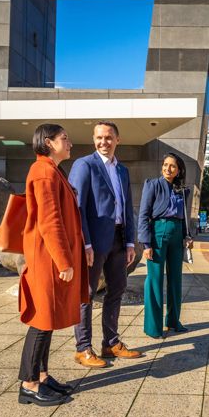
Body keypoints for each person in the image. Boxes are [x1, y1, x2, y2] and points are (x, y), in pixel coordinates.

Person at [18, 123, 88, 406]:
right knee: (42, 320)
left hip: (50, 256)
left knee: (47, 320)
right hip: (47, 258)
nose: (69, 143)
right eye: (64, 139)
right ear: (48, 142)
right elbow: (49, 221)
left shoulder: (52, 170)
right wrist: (64, 259)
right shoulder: (44, 172)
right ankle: (29, 383)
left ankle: (42, 375)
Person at [68, 121, 142, 368]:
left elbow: (126, 206)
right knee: (86, 293)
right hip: (94, 242)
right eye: (99, 137)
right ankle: (83, 348)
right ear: (93, 139)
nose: (104, 142)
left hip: (119, 239)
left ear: (117, 140)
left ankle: (110, 343)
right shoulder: (84, 165)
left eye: (109, 137)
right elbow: (76, 208)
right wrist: (85, 243)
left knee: (117, 289)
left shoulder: (122, 170)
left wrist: (131, 241)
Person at [138, 152, 193, 338]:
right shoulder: (152, 185)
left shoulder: (182, 190)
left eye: (172, 166)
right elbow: (144, 214)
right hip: (158, 231)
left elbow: (184, 216)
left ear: (178, 171)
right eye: (165, 164)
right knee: (154, 280)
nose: (168, 169)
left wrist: (187, 235)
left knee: (176, 279)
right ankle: (153, 327)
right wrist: (146, 243)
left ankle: (173, 321)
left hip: (177, 234)